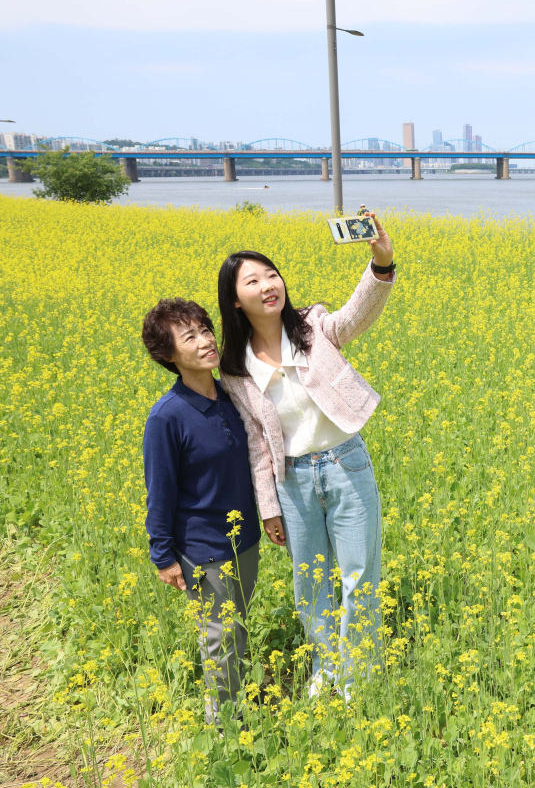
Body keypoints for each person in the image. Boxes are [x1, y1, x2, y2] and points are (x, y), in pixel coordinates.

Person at [216, 213, 395, 698]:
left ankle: (357, 676)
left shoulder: (313, 327)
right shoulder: (236, 370)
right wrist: (268, 507)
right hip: (291, 480)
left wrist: (380, 262)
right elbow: (257, 445)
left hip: (345, 464)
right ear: (236, 299)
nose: (268, 285)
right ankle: (326, 666)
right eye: (252, 281)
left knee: (360, 575)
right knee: (309, 583)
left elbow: (357, 313)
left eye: (272, 274)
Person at [141, 298, 260, 725]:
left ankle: (238, 708)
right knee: (219, 639)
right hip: (205, 549)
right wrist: (163, 556)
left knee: (237, 629)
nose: (206, 340)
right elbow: (160, 493)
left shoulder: (231, 395)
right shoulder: (166, 418)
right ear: (168, 355)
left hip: (244, 541)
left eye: (206, 329)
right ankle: (224, 729)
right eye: (189, 336)